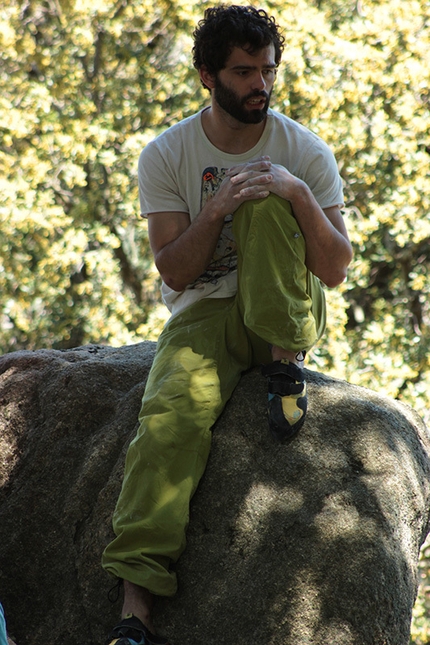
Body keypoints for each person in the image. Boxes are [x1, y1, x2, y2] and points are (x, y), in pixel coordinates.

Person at [102, 5, 353, 644]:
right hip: (206, 315)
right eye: (244, 72)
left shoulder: (304, 149)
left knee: (271, 198)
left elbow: (334, 270)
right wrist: (214, 209)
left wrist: (296, 193)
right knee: (167, 423)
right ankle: (135, 613)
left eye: (268, 70)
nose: (260, 85)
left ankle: (283, 368)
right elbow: (175, 273)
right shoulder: (168, 154)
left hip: (285, 309)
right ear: (207, 76)